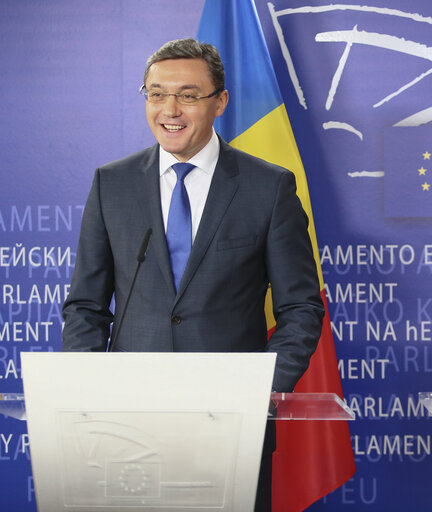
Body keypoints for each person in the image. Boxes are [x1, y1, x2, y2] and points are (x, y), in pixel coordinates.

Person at [62, 38, 324, 510]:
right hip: (126, 420)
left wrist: (262, 388)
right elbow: (85, 305)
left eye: (188, 94)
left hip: (232, 421)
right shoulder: (111, 184)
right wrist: (87, 390)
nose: (170, 109)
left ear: (219, 101)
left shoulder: (268, 188)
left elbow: (301, 307)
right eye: (156, 93)